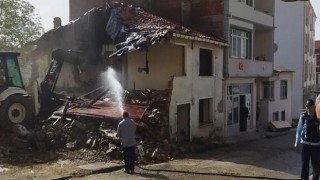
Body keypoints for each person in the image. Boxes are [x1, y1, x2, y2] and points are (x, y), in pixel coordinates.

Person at [294, 99, 320, 180]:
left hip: (316, 145)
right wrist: (297, 141)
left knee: (316, 166)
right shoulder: (303, 116)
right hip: (305, 144)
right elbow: (299, 128)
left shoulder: (318, 117)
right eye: (306, 106)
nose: (307, 108)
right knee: (304, 165)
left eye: (309, 106)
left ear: (313, 106)